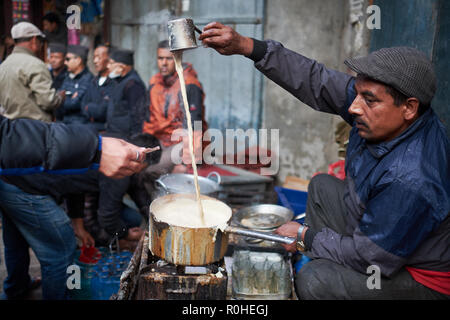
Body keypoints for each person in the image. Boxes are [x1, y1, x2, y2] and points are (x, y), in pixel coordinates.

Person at [199, 22, 450, 299]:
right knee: (321, 187)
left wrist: (306, 237)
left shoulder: (411, 178)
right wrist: (248, 47)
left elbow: (374, 259)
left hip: (421, 275)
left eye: (368, 100)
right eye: (356, 93)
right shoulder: (381, 110)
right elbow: (316, 79)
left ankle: (328, 277)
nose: (353, 107)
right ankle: (331, 264)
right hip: (379, 231)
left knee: (315, 281)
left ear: (409, 108)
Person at [0, 114, 157, 300]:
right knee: (61, 249)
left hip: (7, 177)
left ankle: (15, 290)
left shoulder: (109, 142)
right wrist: (124, 235)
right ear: (142, 161)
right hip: (27, 187)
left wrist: (78, 226)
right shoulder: (118, 164)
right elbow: (107, 215)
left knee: (16, 240)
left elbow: (74, 184)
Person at [140, 40, 208, 194]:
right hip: (160, 140)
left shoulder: (189, 84)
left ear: (177, 59)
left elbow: (193, 126)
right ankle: (155, 209)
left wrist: (186, 162)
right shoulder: (155, 82)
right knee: (135, 169)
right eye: (160, 58)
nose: (164, 63)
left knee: (150, 171)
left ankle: (162, 207)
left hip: (181, 143)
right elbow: (149, 118)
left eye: (168, 59)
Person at [0, 22, 65, 122]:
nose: (41, 46)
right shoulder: (35, 64)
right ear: (34, 40)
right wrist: (60, 97)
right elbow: (48, 101)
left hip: (11, 128)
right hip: (35, 129)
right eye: (41, 42)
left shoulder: (4, 65)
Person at [81, 44, 115, 132]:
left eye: (99, 57)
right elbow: (83, 105)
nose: (95, 61)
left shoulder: (114, 82)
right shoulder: (93, 81)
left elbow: (102, 111)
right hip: (90, 128)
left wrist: (90, 107)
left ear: (109, 59)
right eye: (94, 57)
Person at [57, 45, 94, 124]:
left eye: (68, 59)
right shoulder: (67, 76)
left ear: (78, 60)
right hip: (63, 121)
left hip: (79, 124)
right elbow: (58, 99)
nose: (65, 62)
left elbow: (75, 104)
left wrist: (63, 99)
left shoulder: (88, 79)